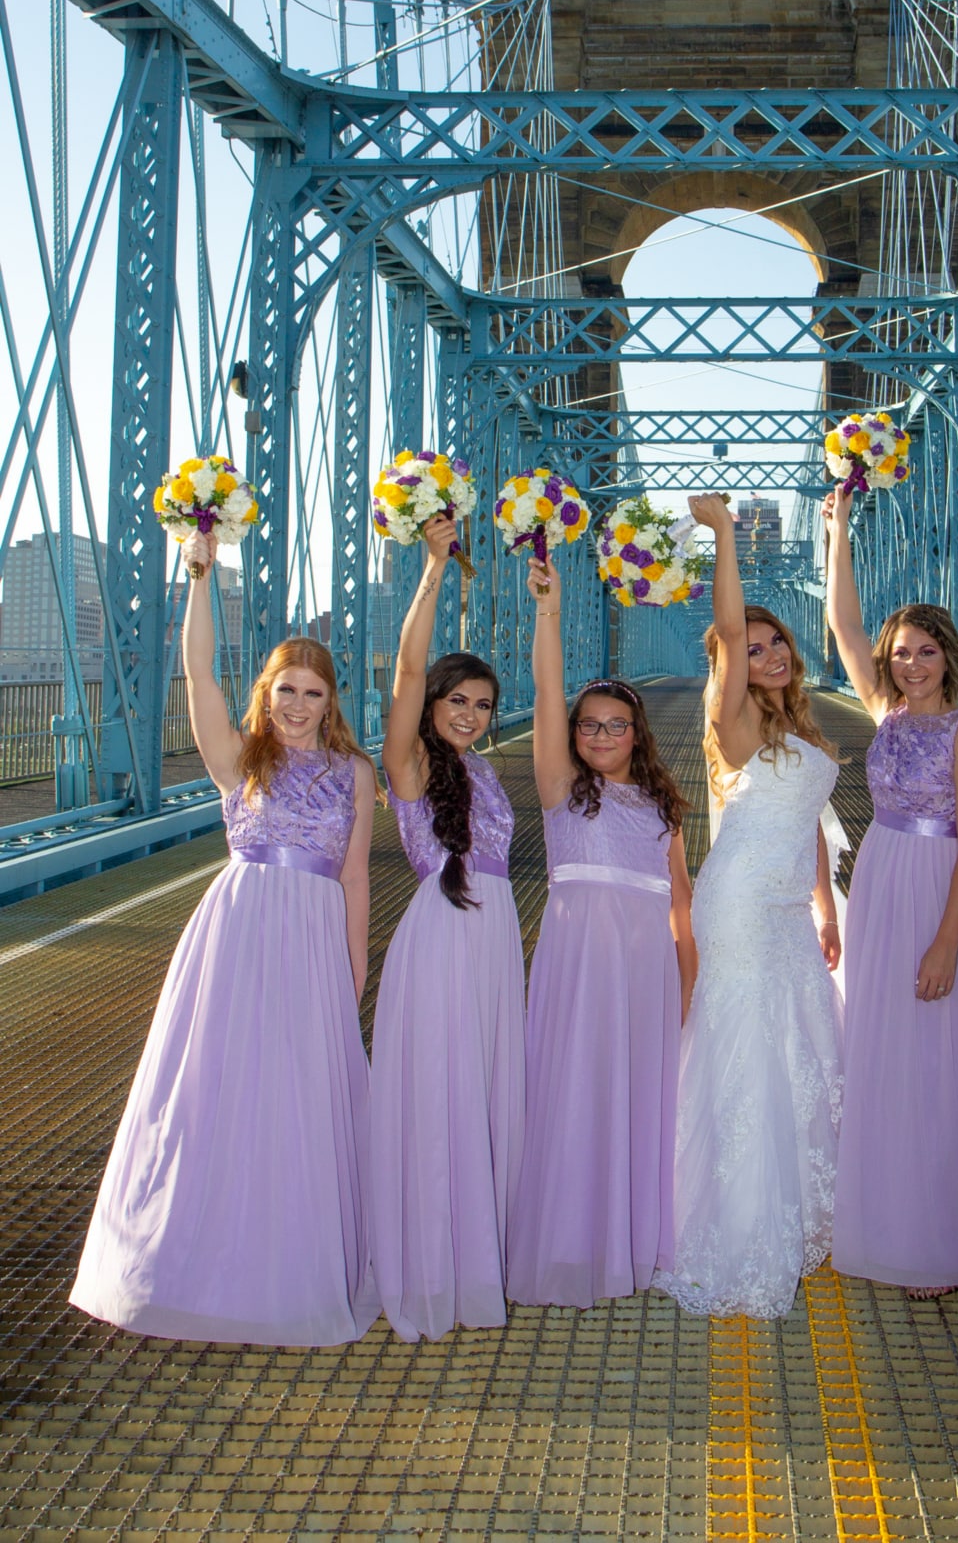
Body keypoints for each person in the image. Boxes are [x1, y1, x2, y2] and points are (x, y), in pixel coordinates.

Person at [71, 527, 377, 1345]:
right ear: (267, 693)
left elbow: (353, 880)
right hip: (237, 933)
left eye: (313, 693)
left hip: (314, 936)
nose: (298, 705)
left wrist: (352, 979)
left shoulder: (355, 774)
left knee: (300, 1094)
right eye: (286, 689)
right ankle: (193, 1261)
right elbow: (198, 671)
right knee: (215, 1085)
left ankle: (288, 1268)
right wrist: (198, 572)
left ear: (331, 700)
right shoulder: (239, 759)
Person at [655, 494, 843, 1320]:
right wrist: (722, 533)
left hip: (787, 911)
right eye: (751, 646)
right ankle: (736, 1221)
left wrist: (825, 906)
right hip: (735, 906)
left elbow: (805, 830)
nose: (763, 652)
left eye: (776, 643)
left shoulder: (800, 727)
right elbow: (728, 633)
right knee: (743, 1053)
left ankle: (797, 1210)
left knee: (796, 1051)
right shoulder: (728, 720)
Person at [822, 487, 958, 1299]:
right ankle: (889, 1217)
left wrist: (946, 939)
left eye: (923, 651)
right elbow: (843, 627)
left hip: (937, 891)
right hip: (881, 879)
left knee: (942, 1062)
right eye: (901, 652)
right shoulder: (886, 714)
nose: (907, 662)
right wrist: (838, 533)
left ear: (949, 658)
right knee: (885, 1053)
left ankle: (944, 1238)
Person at [506, 554, 695, 1309]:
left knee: (634, 1100)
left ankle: (628, 1241)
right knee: (574, 1091)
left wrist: (688, 989)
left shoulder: (663, 807)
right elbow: (548, 693)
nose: (600, 734)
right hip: (579, 963)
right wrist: (548, 609)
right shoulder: (560, 789)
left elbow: (681, 907)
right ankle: (568, 1242)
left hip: (646, 969)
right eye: (591, 726)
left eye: (616, 725)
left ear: (636, 733)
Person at [370, 513, 524, 1339]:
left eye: (483, 705)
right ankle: (434, 1268)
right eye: (457, 701)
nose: (469, 714)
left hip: (496, 944)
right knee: (442, 1098)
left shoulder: (485, 770)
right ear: (434, 705)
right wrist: (432, 568)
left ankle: (475, 1259)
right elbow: (404, 669)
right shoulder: (413, 762)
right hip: (440, 941)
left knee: (484, 1093)